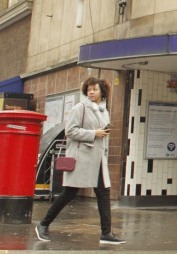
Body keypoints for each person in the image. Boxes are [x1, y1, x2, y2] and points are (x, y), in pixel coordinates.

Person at [35, 77, 125, 244]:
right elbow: (70, 131)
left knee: (103, 194)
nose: (91, 92)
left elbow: (99, 131)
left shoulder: (103, 111)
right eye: (89, 89)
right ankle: (43, 224)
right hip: (82, 158)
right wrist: (93, 134)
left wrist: (102, 132)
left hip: (98, 160)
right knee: (69, 193)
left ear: (102, 92)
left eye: (95, 89)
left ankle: (106, 233)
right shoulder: (80, 108)